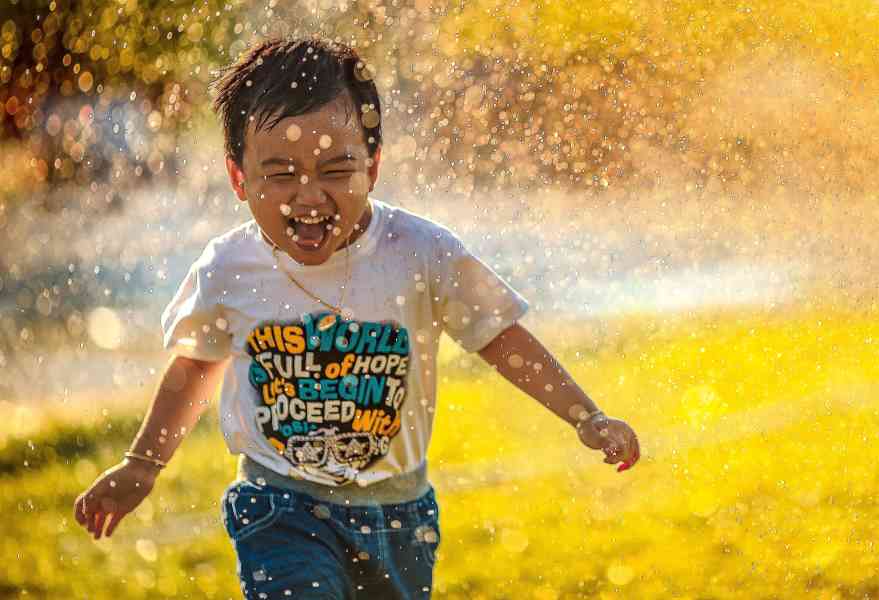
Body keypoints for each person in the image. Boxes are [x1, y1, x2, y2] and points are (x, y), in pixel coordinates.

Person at [73, 34, 640, 600]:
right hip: (279, 505)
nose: (310, 195)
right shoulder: (230, 267)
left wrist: (585, 416)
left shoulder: (419, 252)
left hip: (399, 515)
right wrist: (143, 463)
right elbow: (196, 366)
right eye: (281, 174)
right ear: (239, 178)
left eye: (335, 169)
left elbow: (499, 336)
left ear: (372, 167)